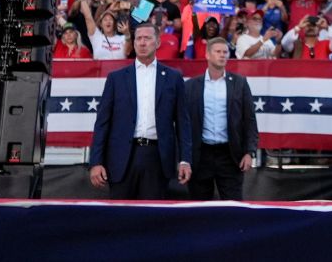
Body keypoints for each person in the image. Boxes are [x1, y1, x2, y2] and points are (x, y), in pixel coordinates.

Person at [89, 21, 193, 200]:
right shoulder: (116, 78)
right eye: (138, 38)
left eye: (147, 38)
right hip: (121, 158)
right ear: (134, 42)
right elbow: (102, 124)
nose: (142, 43)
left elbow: (183, 122)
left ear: (158, 42)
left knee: (152, 219)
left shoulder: (173, 77)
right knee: (120, 220)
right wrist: (96, 162)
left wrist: (185, 160)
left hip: (157, 158)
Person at [183, 37, 259, 201]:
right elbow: (183, 124)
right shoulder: (190, 86)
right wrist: (183, 158)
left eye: (225, 52)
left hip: (230, 156)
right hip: (201, 155)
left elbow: (250, 120)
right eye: (218, 52)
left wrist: (249, 151)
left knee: (233, 207)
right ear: (207, 55)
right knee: (199, 208)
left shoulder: (239, 83)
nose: (223, 55)